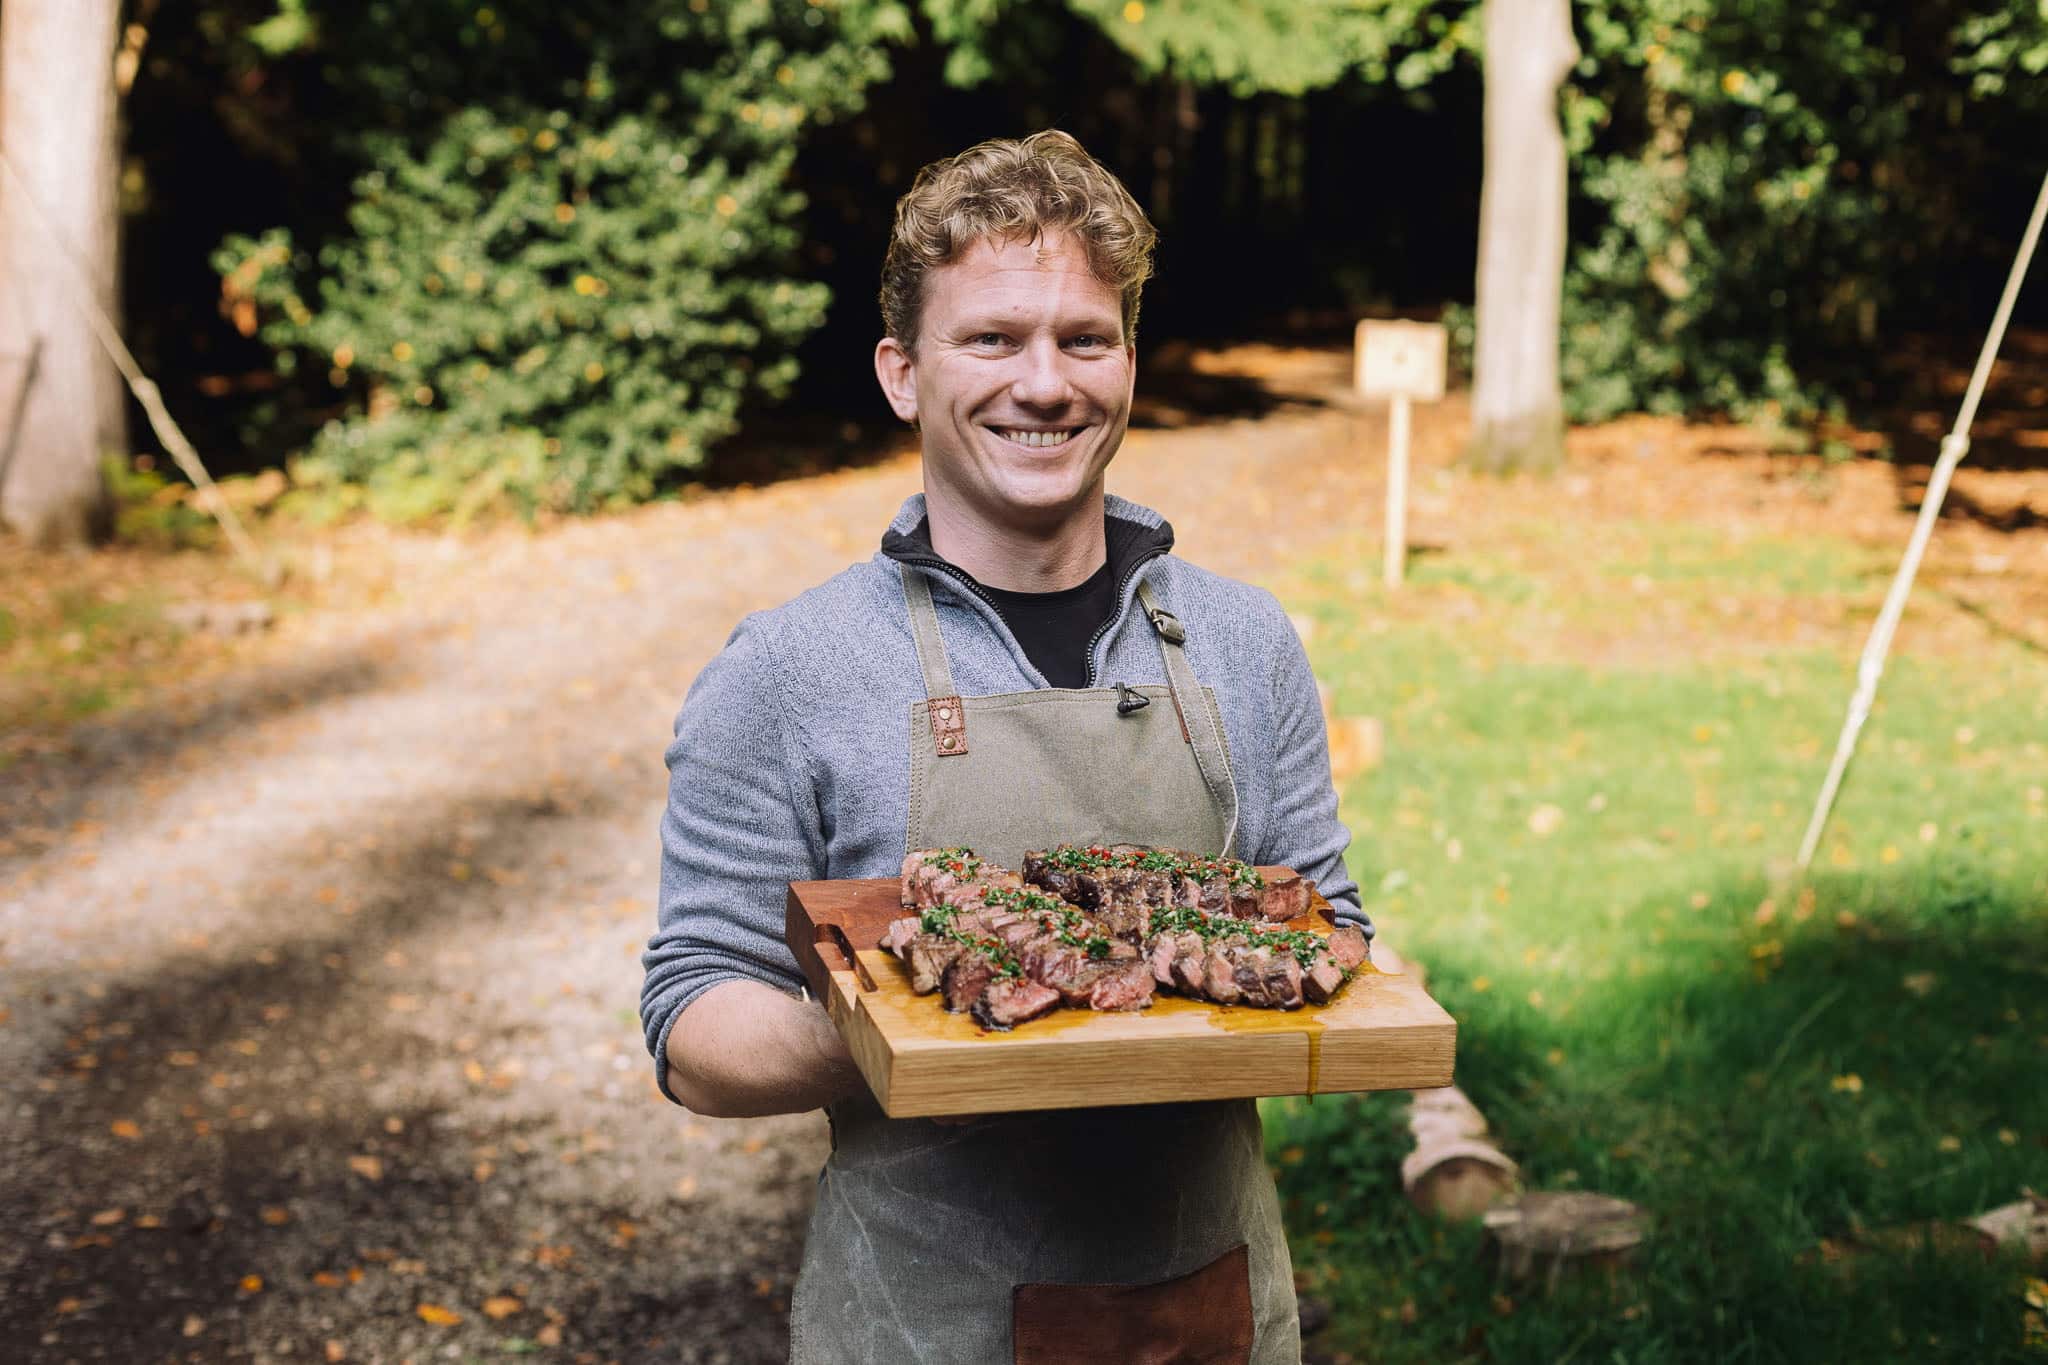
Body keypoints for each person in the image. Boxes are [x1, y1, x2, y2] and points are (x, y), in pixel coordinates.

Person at [640, 129, 1368, 1364]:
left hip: (1209, 1313)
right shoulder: (788, 670)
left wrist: (1184, 1003)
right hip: (922, 1326)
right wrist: (923, 1028)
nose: (1044, 384)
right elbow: (689, 1022)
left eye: (1083, 338)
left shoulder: (1241, 640)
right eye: (991, 339)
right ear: (902, 373)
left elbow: (1329, 923)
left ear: (1126, 363)